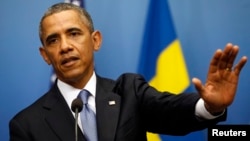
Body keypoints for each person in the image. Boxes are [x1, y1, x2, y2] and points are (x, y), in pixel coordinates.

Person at [9, 2, 247, 141]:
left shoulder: (128, 91)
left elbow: (171, 111)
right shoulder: (25, 125)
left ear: (96, 40)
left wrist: (211, 106)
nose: (65, 47)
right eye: (53, 40)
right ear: (45, 55)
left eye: (73, 33)